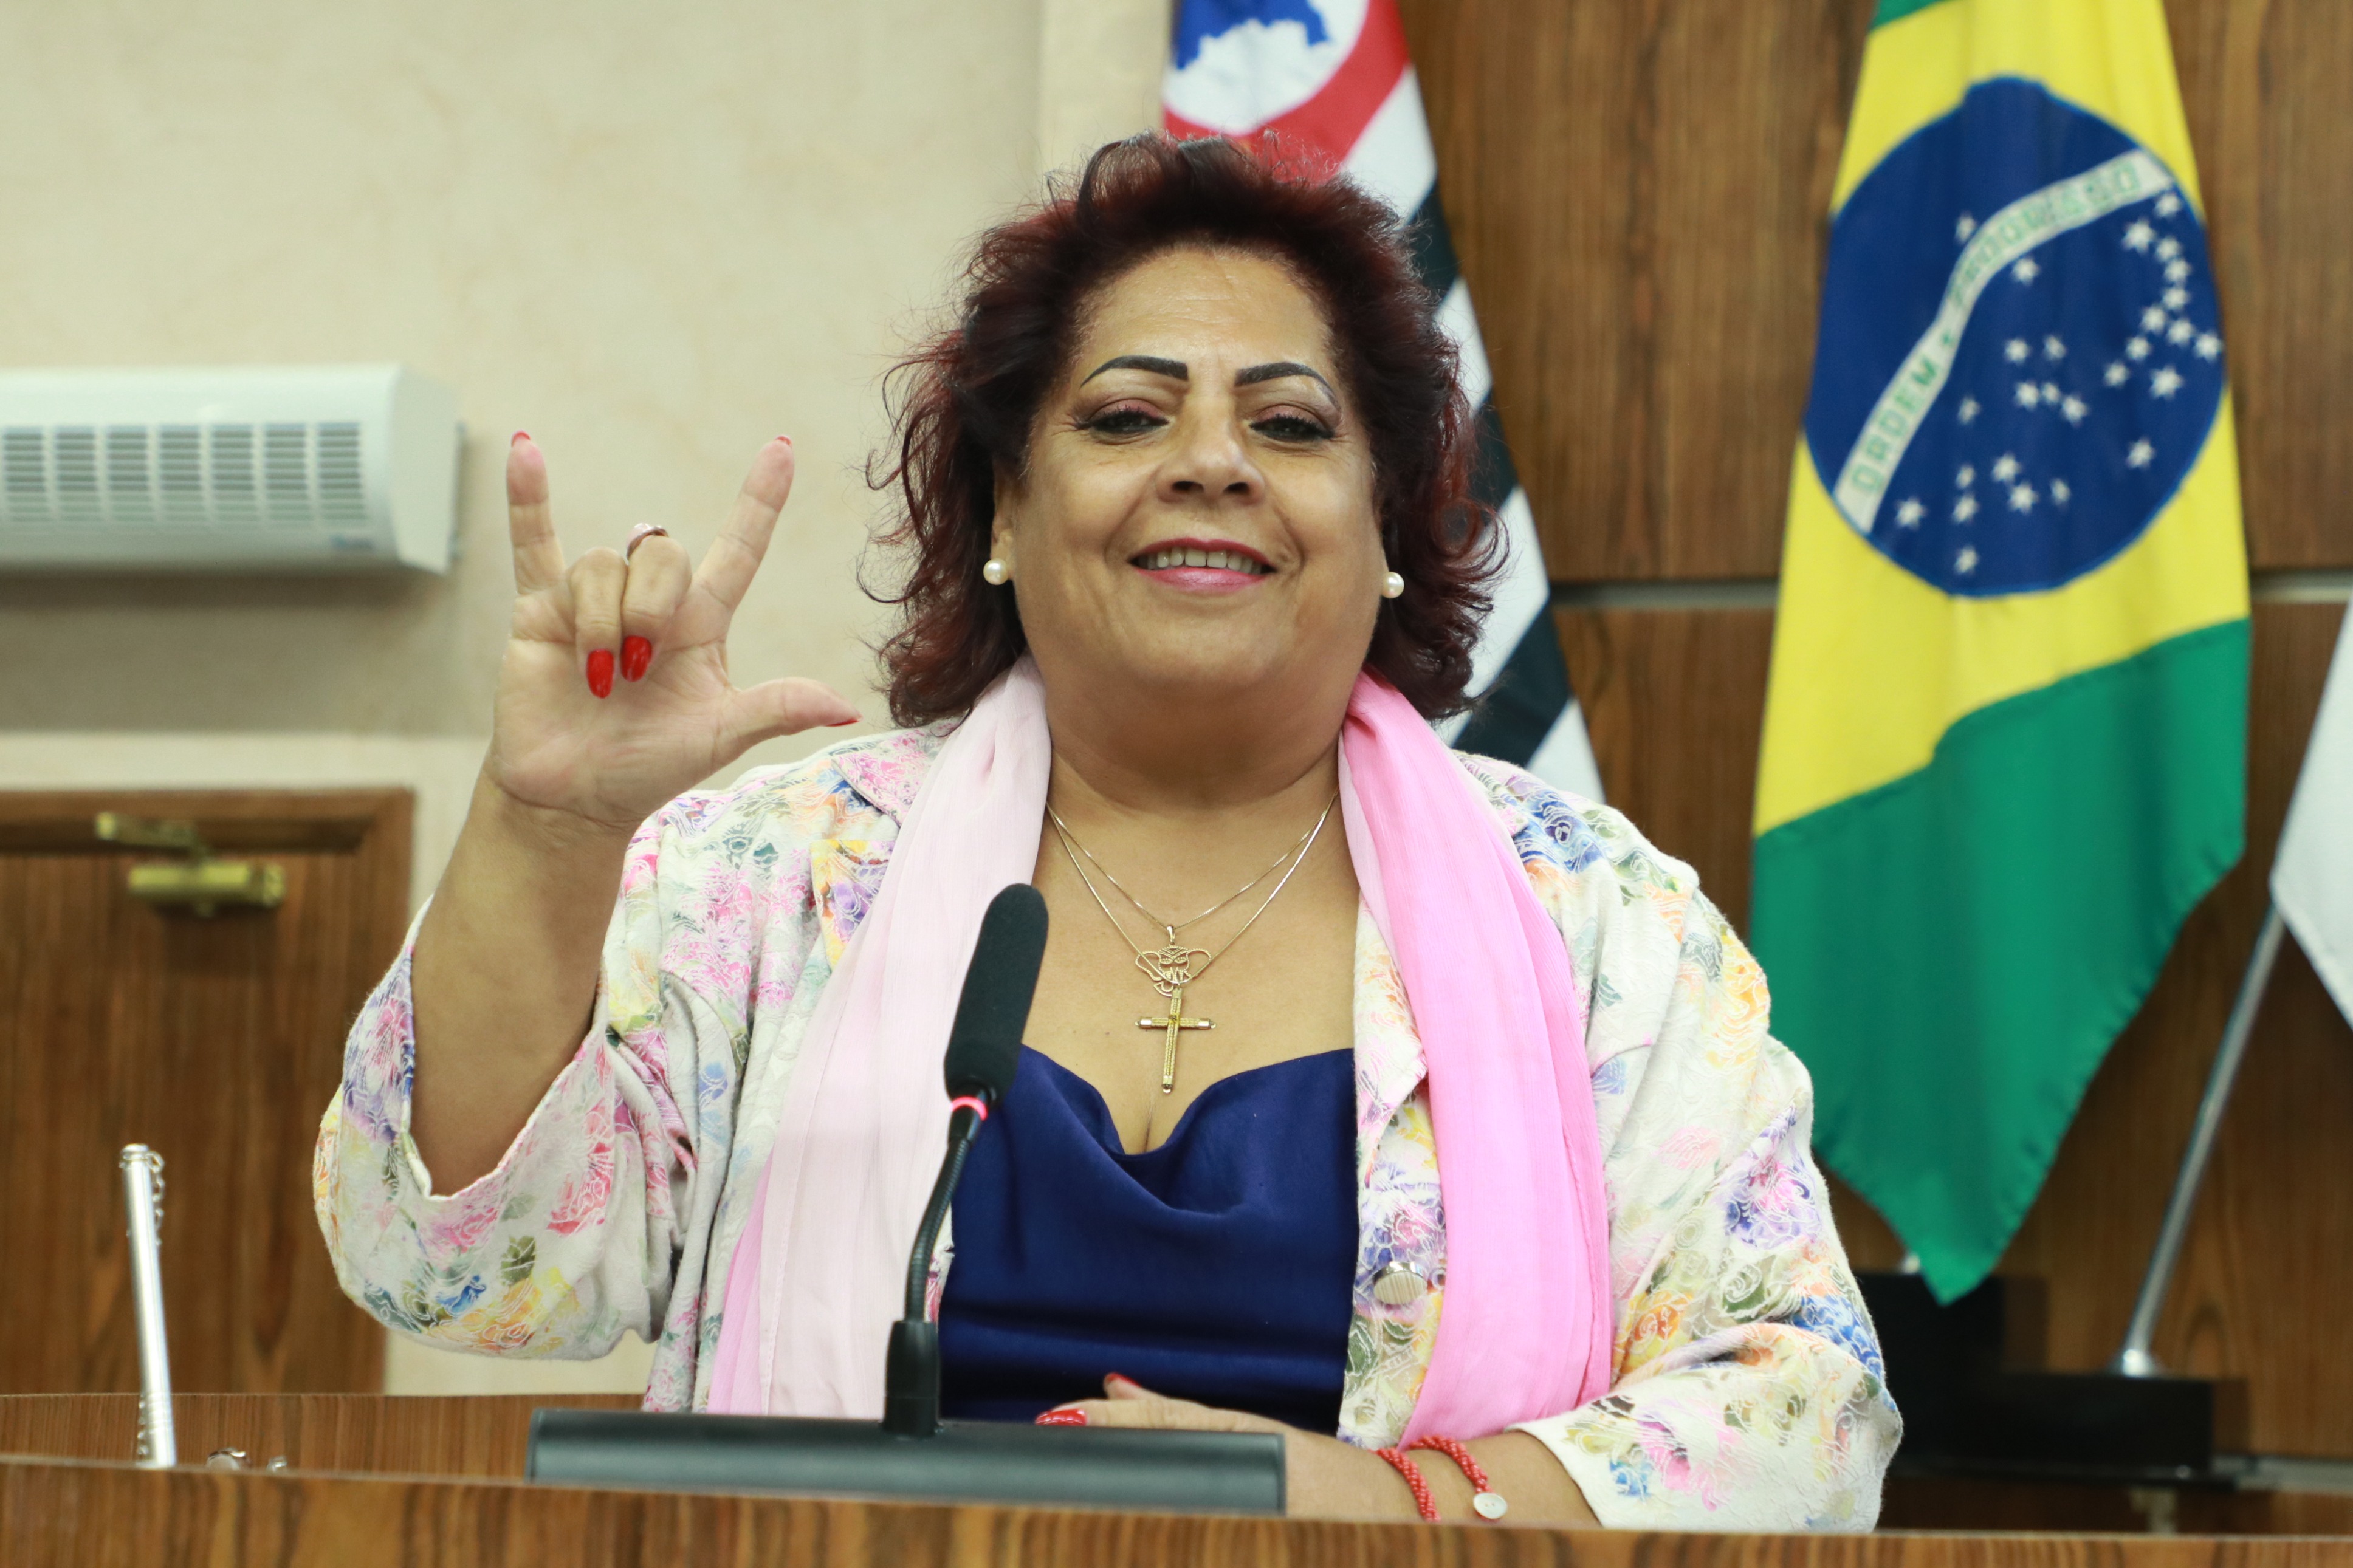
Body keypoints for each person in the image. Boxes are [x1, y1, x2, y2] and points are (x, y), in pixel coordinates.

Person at [315, 135, 1897, 1529]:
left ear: (1387, 526)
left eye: (1291, 427)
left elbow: (1807, 1412)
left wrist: (1383, 1503)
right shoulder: (780, 875)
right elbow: (449, 1266)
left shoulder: (1593, 917)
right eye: (1130, 416)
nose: (1210, 461)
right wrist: (547, 831)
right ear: (1007, 511)